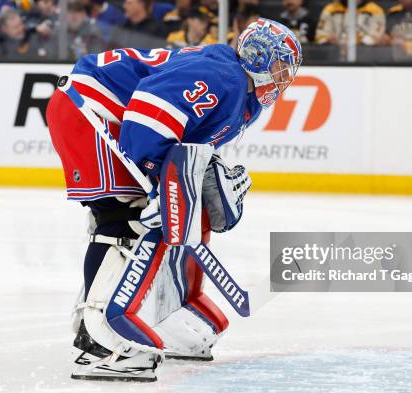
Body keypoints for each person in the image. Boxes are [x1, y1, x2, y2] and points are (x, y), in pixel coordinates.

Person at [46, 18, 302, 382]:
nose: (284, 77)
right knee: (124, 222)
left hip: (106, 112)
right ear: (258, 56)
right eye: (279, 66)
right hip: (90, 108)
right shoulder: (221, 77)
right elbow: (146, 126)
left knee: (138, 219)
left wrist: (181, 183)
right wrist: (159, 183)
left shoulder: (241, 93)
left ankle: (127, 324)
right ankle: (105, 340)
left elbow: (186, 148)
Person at [315, 0, 385, 46]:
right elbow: (320, 37)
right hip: (334, 54)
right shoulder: (330, 9)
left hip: (365, 56)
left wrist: (358, 44)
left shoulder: (375, 10)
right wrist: (329, 41)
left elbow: (375, 37)